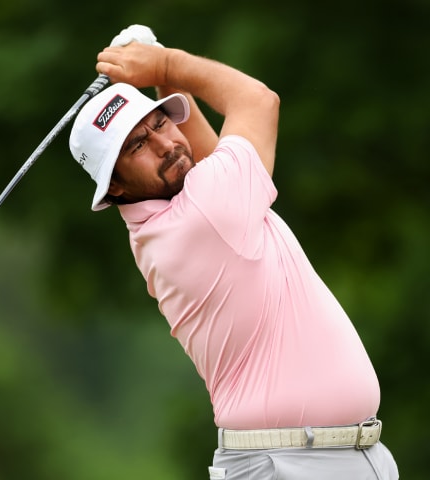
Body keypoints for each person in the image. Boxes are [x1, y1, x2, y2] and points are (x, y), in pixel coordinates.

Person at [69, 26, 399, 480]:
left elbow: (204, 161)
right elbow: (259, 101)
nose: (165, 144)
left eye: (161, 122)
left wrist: (162, 66)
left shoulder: (175, 217)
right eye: (138, 145)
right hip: (288, 463)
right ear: (116, 185)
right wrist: (165, 66)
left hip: (322, 457)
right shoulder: (203, 215)